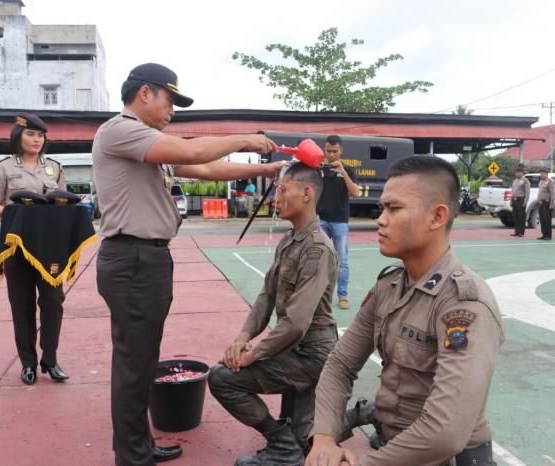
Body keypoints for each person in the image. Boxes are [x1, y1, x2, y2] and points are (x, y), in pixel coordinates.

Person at [92, 62, 284, 466]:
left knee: (141, 362)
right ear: (145, 93)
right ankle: (132, 456)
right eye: (170, 99)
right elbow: (194, 150)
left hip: (146, 258)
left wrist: (265, 168)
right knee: (133, 365)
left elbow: (205, 167)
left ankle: (137, 445)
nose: (173, 110)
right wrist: (247, 138)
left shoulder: (147, 142)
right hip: (132, 259)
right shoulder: (121, 130)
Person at [307, 156, 504, 466]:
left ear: (437, 217)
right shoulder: (390, 285)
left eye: (394, 209)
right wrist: (324, 440)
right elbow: (341, 364)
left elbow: (446, 433)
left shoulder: (463, 304)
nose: (380, 219)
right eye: (383, 208)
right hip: (392, 443)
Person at [208, 162, 338, 466]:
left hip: (312, 354)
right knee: (304, 436)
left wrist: (252, 356)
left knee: (222, 379)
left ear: (306, 194)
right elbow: (267, 295)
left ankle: (282, 447)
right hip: (294, 349)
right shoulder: (289, 241)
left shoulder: (318, 249)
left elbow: (295, 323)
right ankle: (290, 442)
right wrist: (243, 337)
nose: (274, 199)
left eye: (281, 190)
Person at [0, 113, 69, 385]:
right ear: (17, 136)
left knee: (53, 303)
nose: (36, 139)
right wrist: (14, 211)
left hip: (49, 248)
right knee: (22, 307)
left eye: (40, 135)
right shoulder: (4, 168)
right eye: (31, 134)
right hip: (17, 248)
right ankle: (28, 363)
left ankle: (51, 360)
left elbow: (64, 202)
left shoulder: (54, 168)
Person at [316, 135, 359, 309]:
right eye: (328, 151)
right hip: (322, 220)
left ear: (341, 150)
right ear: (324, 150)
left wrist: (343, 173)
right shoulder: (319, 169)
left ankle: (343, 295)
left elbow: (355, 193)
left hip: (340, 221)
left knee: (342, 261)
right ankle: (321, 295)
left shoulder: (348, 169)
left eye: (335, 151)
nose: (332, 154)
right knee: (320, 259)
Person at [510, 166, 529, 237]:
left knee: (521, 216)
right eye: (516, 172)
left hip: (521, 200)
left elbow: (527, 192)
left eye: (518, 172)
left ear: (522, 173)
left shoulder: (525, 180)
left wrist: (526, 201)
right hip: (514, 200)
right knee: (515, 216)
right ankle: (516, 231)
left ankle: (521, 232)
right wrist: (511, 201)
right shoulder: (515, 181)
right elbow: (513, 191)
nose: (516, 174)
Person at [536, 167, 555, 240]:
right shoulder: (541, 181)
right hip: (541, 203)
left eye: (542, 173)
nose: (541, 174)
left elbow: (552, 194)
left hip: (547, 203)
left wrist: (551, 204)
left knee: (547, 220)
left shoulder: (550, 181)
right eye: (540, 173)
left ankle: (548, 235)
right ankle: (544, 234)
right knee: (542, 220)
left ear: (546, 173)